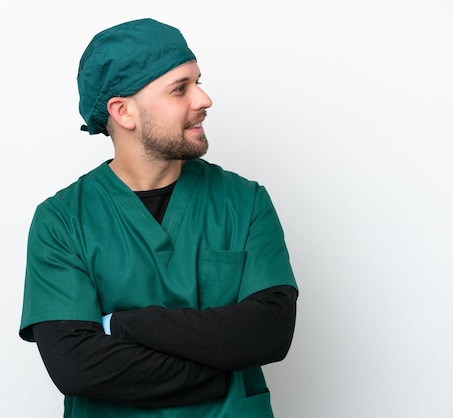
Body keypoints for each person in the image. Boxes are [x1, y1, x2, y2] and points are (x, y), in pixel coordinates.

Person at [19, 18, 298, 418]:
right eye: (180, 88)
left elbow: (269, 332)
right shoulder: (62, 221)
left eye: (198, 81)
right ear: (123, 112)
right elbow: (77, 366)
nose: (203, 99)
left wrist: (125, 325)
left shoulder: (245, 202)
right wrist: (219, 370)